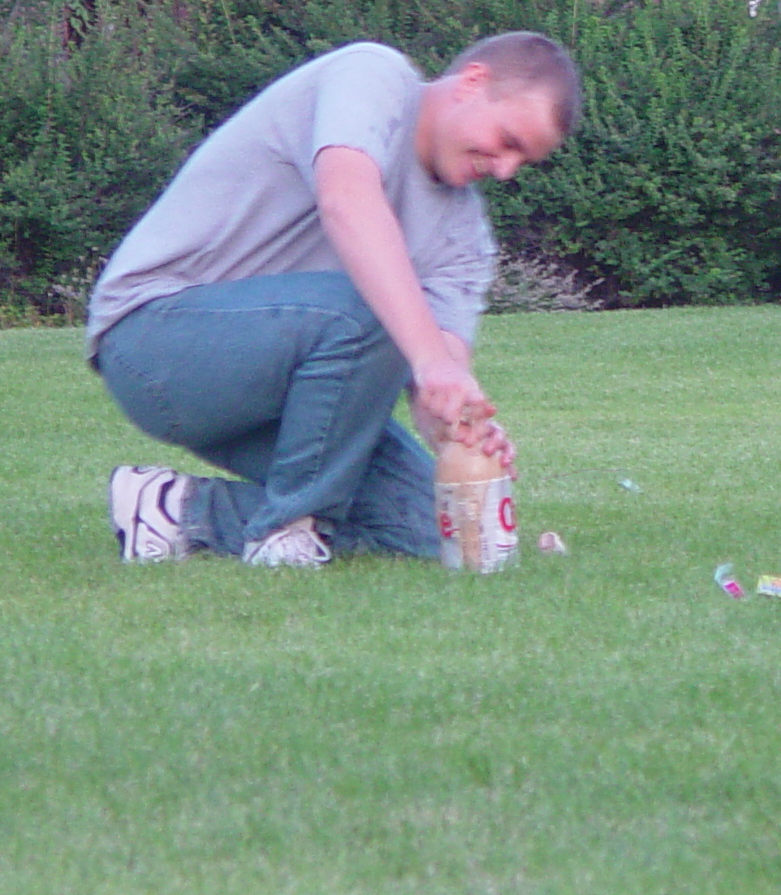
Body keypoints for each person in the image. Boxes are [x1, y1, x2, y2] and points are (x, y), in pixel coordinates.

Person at [91, 32, 578, 567]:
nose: (506, 169)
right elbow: (346, 199)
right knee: (379, 305)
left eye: (522, 161)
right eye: (507, 140)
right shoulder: (374, 77)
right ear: (473, 82)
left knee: (435, 525)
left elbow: (434, 377)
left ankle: (175, 511)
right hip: (156, 341)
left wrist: (463, 428)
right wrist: (431, 358)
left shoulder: (464, 239)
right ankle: (287, 530)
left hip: (284, 389)